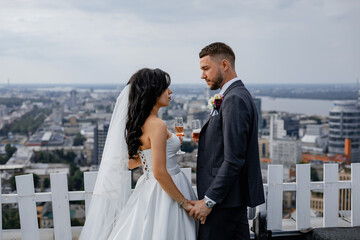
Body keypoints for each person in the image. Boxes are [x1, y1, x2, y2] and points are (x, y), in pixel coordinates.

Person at [79, 68, 197, 240]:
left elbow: (132, 163)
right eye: (166, 88)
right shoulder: (158, 125)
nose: (170, 92)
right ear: (153, 92)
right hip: (165, 191)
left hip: (148, 187)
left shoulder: (140, 124)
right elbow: (159, 172)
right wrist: (183, 202)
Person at [189, 42, 265, 240]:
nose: (202, 75)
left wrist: (209, 202)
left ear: (224, 64)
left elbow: (234, 159)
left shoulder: (234, 99)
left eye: (206, 68)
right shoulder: (237, 94)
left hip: (223, 203)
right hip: (232, 199)